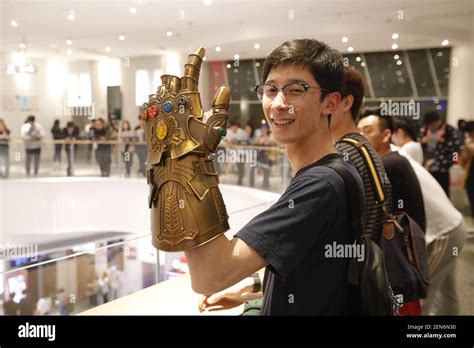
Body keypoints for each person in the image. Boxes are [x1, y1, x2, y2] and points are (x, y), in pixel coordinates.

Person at [186, 38, 365, 315]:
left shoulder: (320, 185)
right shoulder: (335, 169)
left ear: (330, 103)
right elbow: (312, 268)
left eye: (296, 90)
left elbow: (209, 276)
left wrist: (181, 164)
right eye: (270, 90)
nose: (278, 104)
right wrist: (253, 292)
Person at [394, 143, 467, 315]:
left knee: (419, 297)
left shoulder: (391, 160)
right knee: (447, 295)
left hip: (443, 233)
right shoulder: (397, 153)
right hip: (453, 224)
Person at [358, 109, 426, 232]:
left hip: (402, 242)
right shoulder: (393, 159)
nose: (360, 136)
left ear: (386, 135)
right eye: (358, 132)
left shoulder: (388, 164)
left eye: (367, 131)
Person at [420, 111, 461, 196]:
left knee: (443, 193)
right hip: (427, 168)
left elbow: (456, 149)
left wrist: (454, 162)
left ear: (436, 122)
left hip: (443, 168)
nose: (430, 128)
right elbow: (419, 143)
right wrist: (423, 141)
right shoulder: (424, 130)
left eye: (431, 125)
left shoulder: (449, 130)